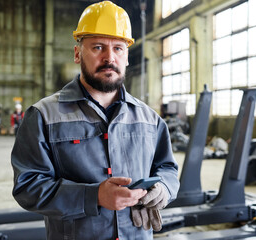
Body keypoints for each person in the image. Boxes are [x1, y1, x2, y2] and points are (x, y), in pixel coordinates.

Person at [11, 1, 179, 239]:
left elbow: (167, 168)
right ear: (78, 53)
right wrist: (94, 196)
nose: (109, 58)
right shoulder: (43, 116)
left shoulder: (150, 119)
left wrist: (164, 187)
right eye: (98, 47)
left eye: (118, 48)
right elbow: (28, 187)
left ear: (127, 56)